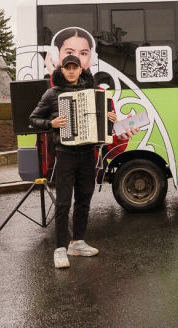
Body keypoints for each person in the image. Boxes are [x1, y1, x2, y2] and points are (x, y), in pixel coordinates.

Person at [29, 54, 118, 269]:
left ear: (80, 70)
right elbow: (32, 120)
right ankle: (60, 248)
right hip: (66, 153)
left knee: (84, 199)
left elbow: (103, 129)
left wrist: (110, 121)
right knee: (63, 202)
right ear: (62, 70)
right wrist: (52, 123)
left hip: (88, 153)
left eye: (74, 68)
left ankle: (77, 242)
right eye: (67, 68)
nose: (71, 71)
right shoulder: (52, 93)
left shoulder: (94, 92)